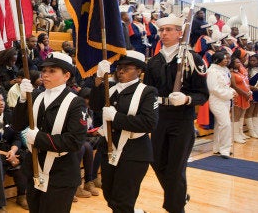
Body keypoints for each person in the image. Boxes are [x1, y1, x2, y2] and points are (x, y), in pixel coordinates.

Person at [143, 14, 208, 213]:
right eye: (162, 30)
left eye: (169, 30)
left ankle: (176, 208)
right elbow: (148, 91)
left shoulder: (192, 59)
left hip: (182, 119)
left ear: (180, 33)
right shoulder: (154, 62)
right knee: (156, 161)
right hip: (160, 118)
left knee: (176, 168)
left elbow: (202, 94)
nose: (164, 33)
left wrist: (187, 99)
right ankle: (179, 195)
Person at [13, 52, 87, 213]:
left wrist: (39, 138)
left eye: (52, 71)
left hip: (61, 174)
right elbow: (17, 125)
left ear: (67, 75)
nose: (45, 75)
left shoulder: (76, 103)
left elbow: (75, 141)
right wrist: (23, 100)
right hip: (35, 168)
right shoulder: (36, 96)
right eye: (44, 70)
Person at [91, 51, 159, 212]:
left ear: (139, 71)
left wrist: (116, 117)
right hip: (109, 149)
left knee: (123, 201)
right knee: (110, 196)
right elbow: (94, 105)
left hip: (133, 152)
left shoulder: (147, 92)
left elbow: (149, 123)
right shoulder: (112, 88)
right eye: (119, 67)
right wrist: (99, 79)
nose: (120, 71)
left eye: (126, 68)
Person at [0, 88, 28, 210]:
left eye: (2, 100)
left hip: (11, 152)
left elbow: (17, 137)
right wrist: (7, 154)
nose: (1, 103)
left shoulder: (9, 115)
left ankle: (22, 196)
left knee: (25, 155)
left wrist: (12, 152)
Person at [205, 52, 236, 158]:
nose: (227, 60)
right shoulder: (212, 71)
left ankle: (217, 148)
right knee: (226, 124)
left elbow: (226, 85)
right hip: (217, 100)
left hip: (225, 100)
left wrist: (231, 91)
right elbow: (213, 89)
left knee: (219, 124)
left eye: (228, 58)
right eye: (224, 58)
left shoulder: (225, 70)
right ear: (217, 60)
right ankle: (225, 149)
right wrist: (229, 93)